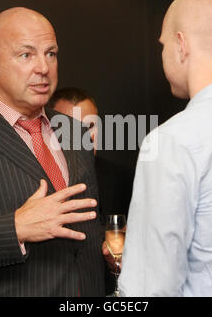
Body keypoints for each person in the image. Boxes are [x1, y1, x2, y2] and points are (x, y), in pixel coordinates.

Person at [0, 7, 105, 297]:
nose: (43, 68)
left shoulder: (75, 132)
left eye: (51, 53)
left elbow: (86, 229)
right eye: (27, 55)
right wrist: (14, 229)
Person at [119, 0, 212, 297]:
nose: (163, 54)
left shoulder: (171, 142)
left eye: (163, 45)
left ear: (181, 45)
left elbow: (148, 290)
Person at [49, 87, 134, 295]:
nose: (84, 136)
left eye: (91, 126)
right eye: (71, 127)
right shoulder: (36, 181)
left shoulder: (122, 178)